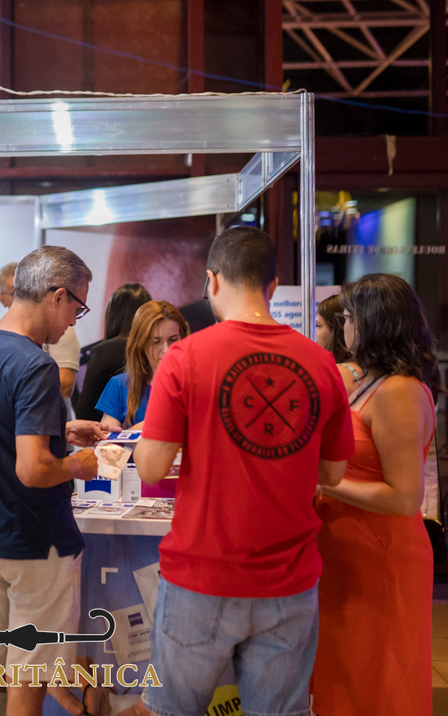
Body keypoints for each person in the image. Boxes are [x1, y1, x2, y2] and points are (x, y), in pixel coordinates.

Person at [132, 227, 354, 716]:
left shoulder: (184, 358)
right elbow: (334, 472)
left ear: (212, 281)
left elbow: (150, 465)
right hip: (290, 581)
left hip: (200, 573)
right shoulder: (322, 364)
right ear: (273, 285)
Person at [0, 247, 104, 716]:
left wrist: (58, 432)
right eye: (77, 307)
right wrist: (77, 465)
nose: (73, 323)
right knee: (27, 681)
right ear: (56, 295)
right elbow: (33, 469)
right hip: (34, 545)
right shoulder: (36, 365)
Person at [312, 274, 439, 716]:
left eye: (346, 318)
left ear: (372, 321)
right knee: (343, 678)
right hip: (347, 555)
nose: (343, 328)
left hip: (379, 557)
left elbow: (405, 497)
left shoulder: (400, 391)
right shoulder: (370, 381)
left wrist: (324, 482)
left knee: (376, 681)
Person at [95, 300, 188, 432]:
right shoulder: (119, 385)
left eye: (173, 339)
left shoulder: (195, 384)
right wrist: (153, 424)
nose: (167, 350)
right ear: (141, 344)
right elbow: (107, 444)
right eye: (156, 342)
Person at [0, 261, 80, 404]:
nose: (21, 295)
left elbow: (66, 385)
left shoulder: (60, 330)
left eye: (24, 289)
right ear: (1, 298)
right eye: (14, 292)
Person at [74, 283, 152, 421]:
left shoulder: (103, 352)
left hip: (109, 435)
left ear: (112, 315)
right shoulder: (154, 350)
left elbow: (85, 412)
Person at [317, 294, 363, 395]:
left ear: (337, 330)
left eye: (318, 326)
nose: (315, 332)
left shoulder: (338, 373)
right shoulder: (368, 370)